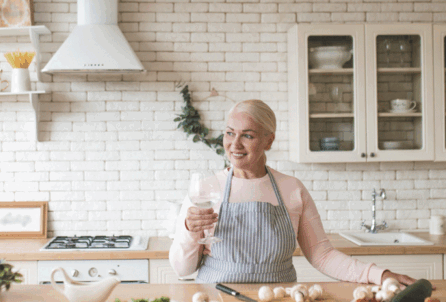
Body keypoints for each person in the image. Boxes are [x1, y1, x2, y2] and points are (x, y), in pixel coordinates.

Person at [169, 99, 416, 285]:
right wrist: (190, 232)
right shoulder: (205, 190)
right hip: (216, 297)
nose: (235, 144)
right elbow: (182, 270)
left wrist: (379, 275)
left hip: (280, 298)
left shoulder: (291, 188)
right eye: (230, 133)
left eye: (248, 135)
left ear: (269, 140)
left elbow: (322, 255)